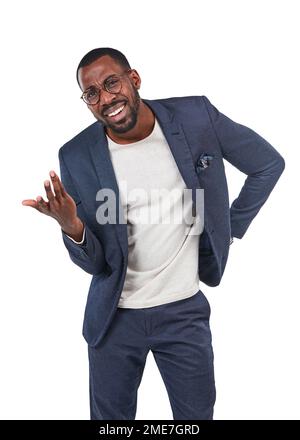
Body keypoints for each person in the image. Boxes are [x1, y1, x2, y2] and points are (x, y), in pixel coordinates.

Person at [22, 47, 285, 420]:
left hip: (183, 312)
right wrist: (72, 226)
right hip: (113, 321)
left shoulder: (195, 117)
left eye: (111, 82)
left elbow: (268, 165)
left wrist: (230, 228)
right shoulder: (76, 155)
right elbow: (96, 262)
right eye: (91, 92)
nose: (105, 98)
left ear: (134, 79)